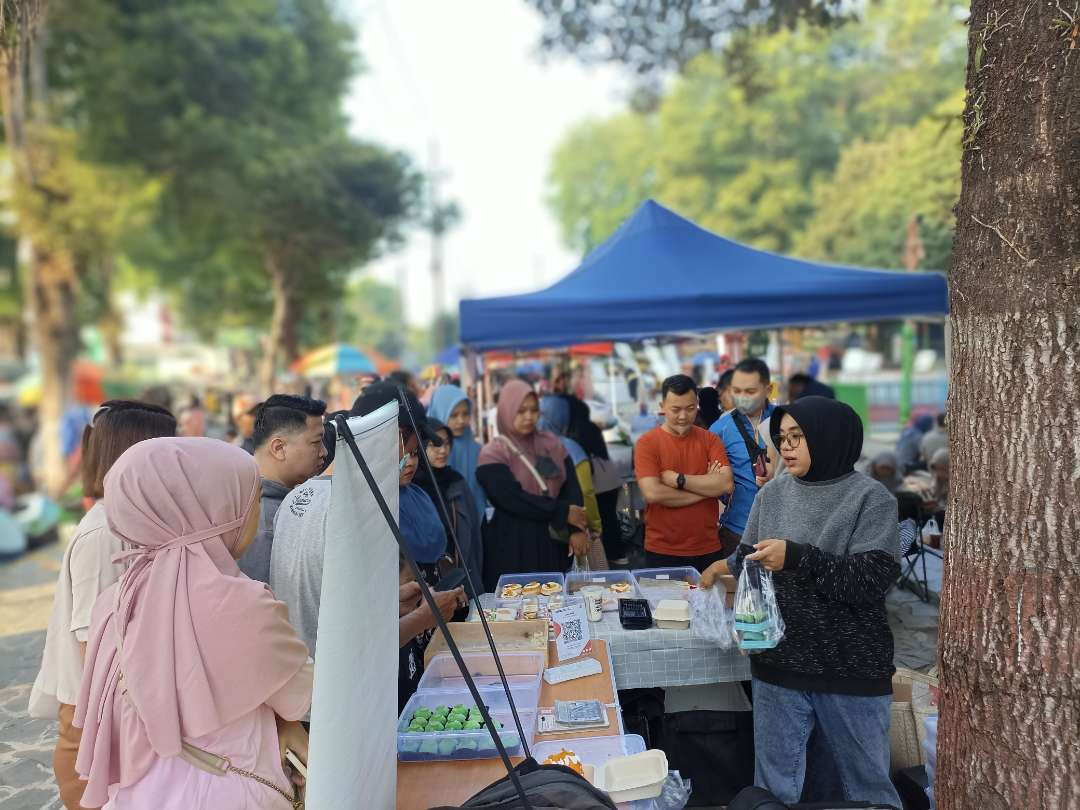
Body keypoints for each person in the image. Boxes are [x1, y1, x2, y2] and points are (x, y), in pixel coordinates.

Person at [72, 437, 313, 809]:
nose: (253, 510)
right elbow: (299, 696)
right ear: (213, 510)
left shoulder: (116, 600)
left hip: (140, 796)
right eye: (248, 497)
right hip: (231, 793)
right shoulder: (243, 604)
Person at [701, 397, 902, 808]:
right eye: (782, 438)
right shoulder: (773, 494)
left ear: (831, 438)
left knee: (866, 788)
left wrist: (799, 557)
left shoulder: (870, 498)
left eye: (798, 437)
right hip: (779, 663)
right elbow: (748, 556)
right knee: (775, 787)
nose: (786, 447)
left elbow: (872, 580)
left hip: (849, 668)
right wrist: (722, 567)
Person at [28, 402, 177, 810]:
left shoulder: (129, 517)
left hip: (107, 698)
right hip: (91, 704)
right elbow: (91, 637)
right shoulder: (105, 530)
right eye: (168, 446)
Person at [270, 386, 464, 660]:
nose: (411, 461)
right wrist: (426, 617)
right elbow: (360, 640)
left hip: (302, 680)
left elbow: (332, 605)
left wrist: (391, 602)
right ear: (391, 439)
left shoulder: (297, 497)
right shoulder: (355, 511)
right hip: (339, 690)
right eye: (409, 449)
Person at [477, 380, 589, 591]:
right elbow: (511, 498)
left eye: (534, 410)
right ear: (506, 410)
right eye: (520, 411)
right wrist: (561, 511)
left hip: (551, 540)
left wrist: (576, 529)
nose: (529, 417)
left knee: (553, 598)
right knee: (518, 604)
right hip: (513, 544)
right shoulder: (493, 453)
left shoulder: (551, 444)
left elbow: (570, 487)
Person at [634, 375, 733, 571]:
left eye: (690, 409)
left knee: (710, 602)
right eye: (675, 409)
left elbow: (725, 485)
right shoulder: (647, 443)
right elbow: (653, 493)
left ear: (697, 404)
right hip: (662, 550)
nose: (683, 416)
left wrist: (678, 480)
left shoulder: (710, 440)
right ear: (662, 406)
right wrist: (706, 488)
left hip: (708, 547)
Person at [237, 395, 328, 584]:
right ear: (279, 448)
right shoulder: (262, 520)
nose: (324, 452)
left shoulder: (246, 497)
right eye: (316, 442)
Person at [710, 358, 777, 555]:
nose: (742, 397)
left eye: (750, 392)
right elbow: (717, 483)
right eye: (736, 391)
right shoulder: (720, 428)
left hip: (781, 530)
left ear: (768, 389)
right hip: (737, 530)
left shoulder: (787, 421)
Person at [539, 395, 609, 571]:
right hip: (573, 532)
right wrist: (594, 526)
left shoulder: (531, 448)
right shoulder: (572, 449)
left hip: (542, 534)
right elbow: (587, 493)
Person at [414, 419, 484, 594]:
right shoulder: (412, 489)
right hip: (426, 587)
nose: (443, 450)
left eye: (447, 443)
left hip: (463, 580)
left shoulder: (457, 482)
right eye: (434, 445)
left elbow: (474, 537)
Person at [566, 394, 628, 566]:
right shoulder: (591, 426)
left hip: (596, 479)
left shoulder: (572, 432)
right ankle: (618, 554)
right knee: (610, 517)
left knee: (602, 518)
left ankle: (606, 557)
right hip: (608, 474)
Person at [427, 384, 487, 519]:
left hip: (477, 524)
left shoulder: (477, 450)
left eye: (465, 414)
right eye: (453, 415)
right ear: (439, 412)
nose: (461, 421)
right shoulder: (428, 451)